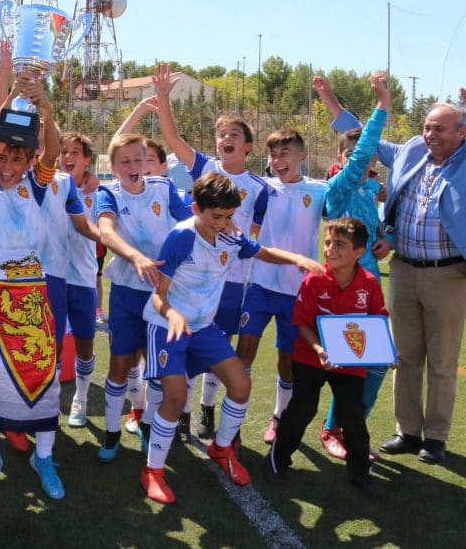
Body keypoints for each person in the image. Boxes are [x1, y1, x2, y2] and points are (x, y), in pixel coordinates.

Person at [330, 72, 466, 464]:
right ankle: (407, 431)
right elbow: (366, 140)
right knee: (406, 356)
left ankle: (436, 437)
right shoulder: (411, 150)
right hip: (405, 271)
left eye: (440, 129)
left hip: (448, 274)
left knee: (442, 361)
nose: (431, 134)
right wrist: (334, 105)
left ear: (461, 132)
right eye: (428, 127)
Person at [139, 173, 322, 503]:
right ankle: (153, 470)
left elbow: (262, 252)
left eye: (229, 216)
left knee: (241, 385)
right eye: (216, 217)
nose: (223, 224)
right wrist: (172, 314)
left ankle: (221, 449)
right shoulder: (181, 238)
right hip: (167, 325)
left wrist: (295, 258)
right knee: (176, 398)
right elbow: (158, 296)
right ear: (196, 209)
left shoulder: (230, 237)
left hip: (204, 326)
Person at [153, 64, 270, 440]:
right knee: (187, 343)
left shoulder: (258, 186)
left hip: (231, 281)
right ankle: (183, 412)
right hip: (192, 279)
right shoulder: (204, 167)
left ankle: (207, 408)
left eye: (234, 134)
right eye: (221, 134)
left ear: (248, 146)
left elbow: (252, 236)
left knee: (220, 347)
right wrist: (165, 99)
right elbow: (171, 137)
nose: (226, 138)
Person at [0, 70, 65, 499]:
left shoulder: (37, 187)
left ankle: (44, 457)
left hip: (32, 291)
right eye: (3, 158)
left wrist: (42, 104)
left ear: (28, 162)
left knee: (42, 369)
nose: (7, 166)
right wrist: (9, 99)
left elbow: (55, 148)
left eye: (15, 160)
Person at [265, 218, 387, 498]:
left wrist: (386, 353)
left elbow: (377, 322)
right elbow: (303, 323)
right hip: (310, 355)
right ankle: (277, 459)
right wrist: (320, 350)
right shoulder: (314, 279)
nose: (330, 249)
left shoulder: (368, 284)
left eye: (339, 244)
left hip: (349, 362)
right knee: (302, 408)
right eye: (328, 242)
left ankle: (360, 472)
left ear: (359, 252)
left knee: (352, 415)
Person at [95, 132, 192, 461]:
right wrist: (135, 257)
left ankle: (148, 426)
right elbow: (106, 232)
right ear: (115, 167)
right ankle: (111, 433)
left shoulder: (163, 189)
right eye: (125, 161)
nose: (133, 165)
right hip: (125, 294)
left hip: (162, 295)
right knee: (120, 364)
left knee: (158, 366)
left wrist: (216, 226)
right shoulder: (108, 192)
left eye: (139, 158)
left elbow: (188, 222)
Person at [312, 73, 393, 459]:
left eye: (371, 155)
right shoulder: (339, 188)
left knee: (375, 367)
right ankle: (332, 429)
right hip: (340, 290)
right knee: (349, 367)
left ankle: (347, 428)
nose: (366, 159)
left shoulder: (368, 190)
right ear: (341, 161)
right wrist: (382, 107)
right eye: (359, 154)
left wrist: (385, 240)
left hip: (369, 289)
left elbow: (387, 217)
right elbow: (360, 149)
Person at [237, 127, 328, 445]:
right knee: (244, 350)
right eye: (273, 154)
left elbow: (343, 211)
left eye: (284, 154)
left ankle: (279, 417)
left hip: (297, 290)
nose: (277, 160)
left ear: (302, 156)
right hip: (259, 283)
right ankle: (234, 418)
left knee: (286, 359)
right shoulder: (262, 188)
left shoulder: (320, 191)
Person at [59, 132, 102, 428]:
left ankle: (81, 398)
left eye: (76, 151)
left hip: (84, 280)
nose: (68, 156)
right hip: (52, 278)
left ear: (87, 160)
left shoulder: (98, 194)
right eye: (64, 151)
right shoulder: (50, 187)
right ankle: (48, 401)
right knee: (49, 344)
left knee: (85, 343)